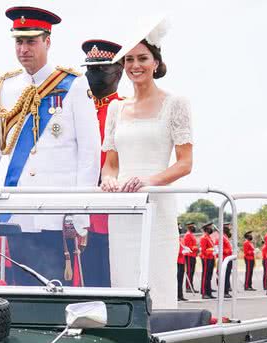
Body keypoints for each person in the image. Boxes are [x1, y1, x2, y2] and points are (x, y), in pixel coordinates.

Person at [0, 6, 100, 286]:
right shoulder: (4, 87)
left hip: (55, 211)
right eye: (19, 41)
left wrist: (81, 210)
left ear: (47, 42)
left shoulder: (74, 85)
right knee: (17, 290)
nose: (24, 49)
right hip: (15, 208)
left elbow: (89, 152)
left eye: (31, 41)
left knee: (55, 287)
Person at [99, 18, 193, 308]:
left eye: (142, 58)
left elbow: (185, 163)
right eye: (129, 59)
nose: (134, 65)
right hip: (123, 208)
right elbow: (110, 163)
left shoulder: (175, 103)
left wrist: (148, 181)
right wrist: (110, 180)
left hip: (158, 205)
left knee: (158, 281)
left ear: (156, 63)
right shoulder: (116, 108)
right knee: (125, 281)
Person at [81, 38, 124, 288]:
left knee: (111, 280)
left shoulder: (124, 110)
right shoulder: (78, 109)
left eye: (100, 69)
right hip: (82, 209)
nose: (92, 75)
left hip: (111, 211)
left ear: (118, 71)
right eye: (89, 69)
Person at [198, 223, 216, 299]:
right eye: (210, 228)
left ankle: (209, 292)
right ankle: (204, 293)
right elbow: (204, 250)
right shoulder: (204, 238)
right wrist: (212, 250)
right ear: (207, 229)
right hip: (206, 258)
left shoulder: (209, 237)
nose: (211, 229)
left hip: (211, 258)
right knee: (205, 276)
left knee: (209, 276)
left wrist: (214, 250)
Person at [182, 222, 199, 293]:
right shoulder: (188, 235)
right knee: (189, 272)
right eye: (193, 226)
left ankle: (190, 286)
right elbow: (188, 247)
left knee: (192, 272)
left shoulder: (191, 235)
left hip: (193, 255)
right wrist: (196, 248)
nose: (194, 227)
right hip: (189, 256)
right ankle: (188, 287)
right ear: (190, 227)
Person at [177, 228, 187, 301]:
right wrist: (182, 252)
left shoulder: (180, 239)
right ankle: (177, 295)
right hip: (178, 261)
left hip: (182, 261)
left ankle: (180, 295)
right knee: (178, 280)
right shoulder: (176, 239)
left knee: (181, 280)